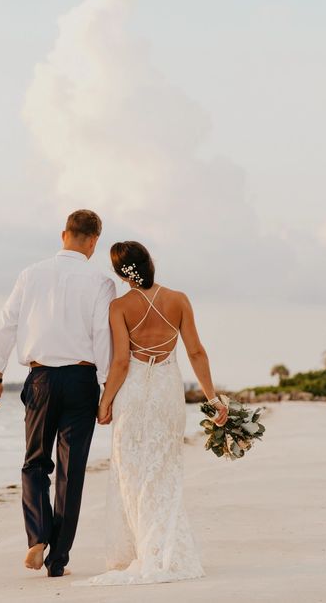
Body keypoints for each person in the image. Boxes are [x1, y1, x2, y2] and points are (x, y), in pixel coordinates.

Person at [80, 240, 227, 586]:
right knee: (164, 469)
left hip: (133, 394)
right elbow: (196, 352)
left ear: (120, 273)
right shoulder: (178, 300)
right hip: (166, 393)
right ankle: (164, 548)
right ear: (150, 263)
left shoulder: (118, 307)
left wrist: (104, 403)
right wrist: (213, 398)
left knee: (132, 472)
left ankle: (142, 550)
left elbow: (119, 362)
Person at [0, 209, 117, 578]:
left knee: (35, 462)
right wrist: (107, 390)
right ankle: (57, 559)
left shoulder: (31, 274)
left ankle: (37, 537)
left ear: (64, 235)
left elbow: (6, 323)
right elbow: (102, 337)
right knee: (71, 473)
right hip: (80, 380)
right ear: (94, 241)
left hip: (40, 378)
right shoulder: (101, 282)